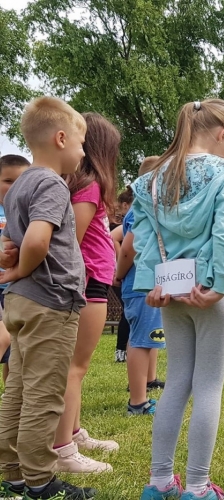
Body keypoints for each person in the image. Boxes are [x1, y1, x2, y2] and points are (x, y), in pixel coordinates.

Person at [133, 99, 224, 500]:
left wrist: (151, 285)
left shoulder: (150, 179)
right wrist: (219, 283)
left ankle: (159, 482)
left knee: (177, 380)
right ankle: (197, 488)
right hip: (212, 289)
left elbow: (144, 238)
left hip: (170, 289)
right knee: (208, 386)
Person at [0, 96, 93, 499]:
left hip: (20, 304)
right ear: (60, 139)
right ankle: (40, 480)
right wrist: (21, 268)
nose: (83, 152)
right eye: (81, 143)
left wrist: (12, 266)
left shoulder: (18, 185)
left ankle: (12, 471)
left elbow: (8, 243)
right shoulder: (52, 184)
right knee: (44, 394)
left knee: (18, 389)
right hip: (49, 303)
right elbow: (37, 240)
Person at [52, 112, 120, 474]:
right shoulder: (90, 185)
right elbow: (72, 241)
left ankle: (74, 433)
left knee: (78, 366)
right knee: (74, 368)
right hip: (87, 283)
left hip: (92, 281)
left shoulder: (83, 185)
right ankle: (63, 450)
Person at [115, 157, 166, 416]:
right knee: (139, 341)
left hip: (148, 285)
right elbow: (128, 248)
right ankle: (137, 402)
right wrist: (119, 273)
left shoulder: (147, 209)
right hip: (139, 286)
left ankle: (146, 383)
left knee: (148, 337)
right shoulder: (140, 210)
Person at [0, 155, 30, 387]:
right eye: (8, 181)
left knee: (15, 348)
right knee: (3, 338)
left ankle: (11, 395)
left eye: (20, 181)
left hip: (16, 287)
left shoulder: (27, 210)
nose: (13, 187)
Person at [113, 185, 135, 363]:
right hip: (124, 274)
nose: (120, 213)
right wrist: (120, 263)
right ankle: (121, 351)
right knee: (127, 314)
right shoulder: (131, 219)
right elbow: (112, 236)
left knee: (129, 313)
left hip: (126, 272)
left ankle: (124, 350)